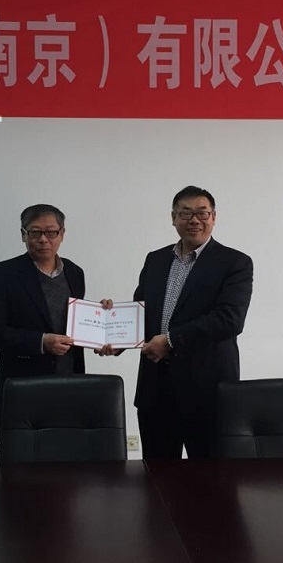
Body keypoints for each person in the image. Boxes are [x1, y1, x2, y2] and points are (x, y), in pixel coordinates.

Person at [99, 186, 252, 459]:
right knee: (156, 476)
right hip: (156, 390)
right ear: (173, 218)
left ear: (214, 217)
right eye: (185, 213)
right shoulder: (156, 259)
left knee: (210, 477)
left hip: (207, 391)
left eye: (202, 213)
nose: (194, 220)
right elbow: (142, 311)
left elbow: (230, 319)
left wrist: (170, 341)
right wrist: (112, 330)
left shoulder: (234, 262)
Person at [0, 204, 85, 440]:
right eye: (35, 232)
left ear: (62, 234)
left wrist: (104, 319)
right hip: (21, 387)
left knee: (68, 456)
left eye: (51, 232)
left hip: (70, 384)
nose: (43, 239)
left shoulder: (75, 273)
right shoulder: (3, 274)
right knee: (17, 458)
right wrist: (41, 341)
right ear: (23, 234)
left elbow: (79, 326)